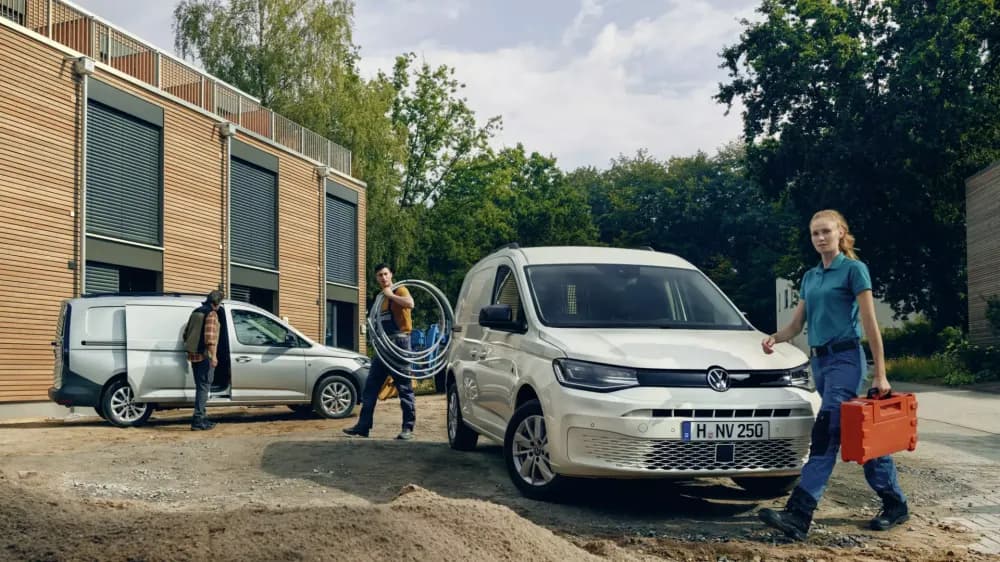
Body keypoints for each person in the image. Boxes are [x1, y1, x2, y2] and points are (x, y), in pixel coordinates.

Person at [757, 210, 908, 540]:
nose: (820, 238)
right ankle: (894, 502)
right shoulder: (810, 277)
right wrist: (775, 337)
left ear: (841, 233)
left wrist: (881, 373)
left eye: (826, 231)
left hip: (847, 359)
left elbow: (870, 323)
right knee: (859, 433)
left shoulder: (854, 269)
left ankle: (799, 514)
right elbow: (798, 325)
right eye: (814, 233)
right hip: (821, 365)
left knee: (825, 432)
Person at [343, 264, 417, 440]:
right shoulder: (380, 298)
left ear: (391, 275)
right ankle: (363, 427)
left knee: (404, 387)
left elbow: (410, 303)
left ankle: (408, 428)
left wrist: (391, 294)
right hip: (383, 344)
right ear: (376, 278)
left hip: (399, 343)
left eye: (385, 274)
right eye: (379, 275)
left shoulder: (399, 290)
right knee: (370, 387)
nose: (383, 278)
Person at [183, 290, 223, 431]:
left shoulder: (196, 312)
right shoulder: (211, 314)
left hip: (193, 355)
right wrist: (214, 357)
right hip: (205, 356)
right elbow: (210, 338)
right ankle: (198, 420)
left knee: (201, 387)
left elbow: (185, 333)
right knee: (204, 388)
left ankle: (202, 418)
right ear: (216, 303)